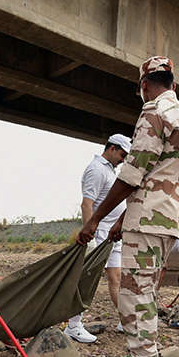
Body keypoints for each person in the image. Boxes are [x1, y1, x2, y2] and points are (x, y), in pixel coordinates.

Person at [77, 56, 179, 357]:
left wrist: (96, 218)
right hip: (165, 218)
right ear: (173, 83)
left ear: (145, 85)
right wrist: (120, 221)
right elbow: (155, 176)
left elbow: (133, 173)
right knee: (144, 290)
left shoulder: (154, 112)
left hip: (148, 221)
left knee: (135, 294)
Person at [64, 133, 131, 344]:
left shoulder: (110, 170)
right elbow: (87, 204)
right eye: (122, 154)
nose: (123, 159)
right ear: (111, 148)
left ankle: (125, 321)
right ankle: (73, 326)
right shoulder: (96, 169)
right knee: (87, 280)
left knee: (116, 277)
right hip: (99, 234)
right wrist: (89, 234)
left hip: (112, 236)